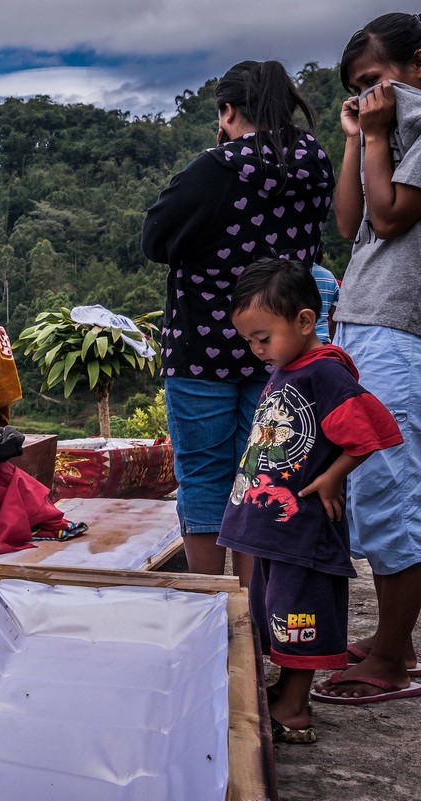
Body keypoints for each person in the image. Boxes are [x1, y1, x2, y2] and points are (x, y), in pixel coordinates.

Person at [141, 60, 333, 581]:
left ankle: (211, 601)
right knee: (261, 475)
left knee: (204, 475)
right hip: (279, 347)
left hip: (202, 346)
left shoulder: (216, 167)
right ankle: (253, 607)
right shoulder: (314, 160)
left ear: (228, 111)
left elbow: (155, 239)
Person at [218, 257, 402, 742]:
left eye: (264, 338)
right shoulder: (291, 365)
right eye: (250, 342)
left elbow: (372, 432)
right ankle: (283, 690)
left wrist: (332, 477)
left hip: (302, 530)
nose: (258, 351)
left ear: (304, 321)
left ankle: (295, 709)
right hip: (273, 529)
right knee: (274, 613)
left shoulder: (325, 373)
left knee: (300, 616)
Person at [315, 12, 421, 702]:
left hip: (397, 329)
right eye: (356, 88)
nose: (367, 96)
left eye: (376, 80)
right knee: (369, 484)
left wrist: (381, 134)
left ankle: (390, 660)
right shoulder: (387, 133)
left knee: (390, 486)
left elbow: (389, 217)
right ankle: (393, 638)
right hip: (365, 320)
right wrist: (359, 139)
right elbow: (350, 221)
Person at [310, 255, 339, 344]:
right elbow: (335, 316)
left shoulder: (288, 274)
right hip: (322, 339)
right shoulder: (329, 276)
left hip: (294, 343)